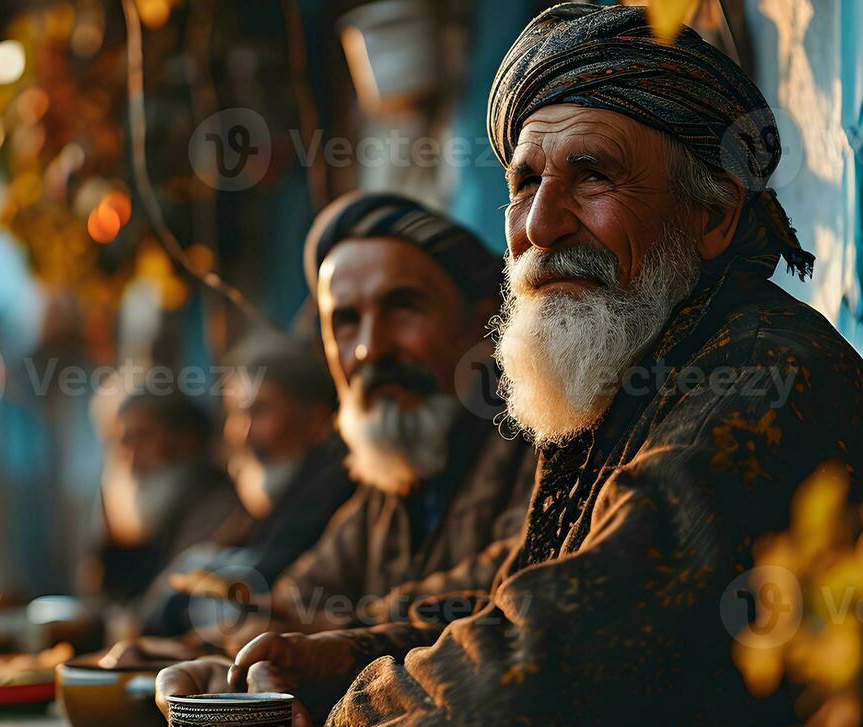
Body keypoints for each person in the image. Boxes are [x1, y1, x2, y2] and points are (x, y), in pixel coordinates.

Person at [158, 3, 863, 727]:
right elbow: (516, 593)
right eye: (524, 184)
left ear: (713, 218)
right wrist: (327, 656)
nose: (541, 224)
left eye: (591, 174)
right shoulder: (641, 368)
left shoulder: (760, 383)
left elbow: (518, 701)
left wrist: (331, 711)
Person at [259, 193, 538, 634]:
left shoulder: (539, 444)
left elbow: (512, 578)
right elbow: (291, 606)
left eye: (403, 307)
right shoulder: (384, 491)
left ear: (481, 323)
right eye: (347, 321)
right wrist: (196, 653)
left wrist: (344, 633)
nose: (372, 348)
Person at [136, 332, 355, 639]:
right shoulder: (266, 498)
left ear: (316, 420)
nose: (243, 433)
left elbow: (258, 588)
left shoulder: (332, 490)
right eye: (236, 414)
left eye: (260, 411)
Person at [82, 389, 239, 610]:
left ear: (186, 440)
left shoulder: (217, 502)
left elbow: (177, 593)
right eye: (124, 441)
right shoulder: (120, 501)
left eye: (143, 437)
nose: (131, 456)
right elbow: (96, 590)